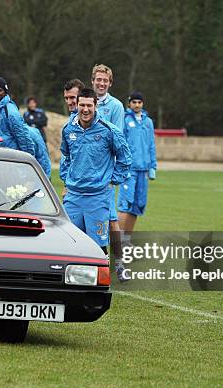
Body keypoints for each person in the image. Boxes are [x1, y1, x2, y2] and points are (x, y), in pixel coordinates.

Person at [60, 88, 131, 281]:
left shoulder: (108, 130)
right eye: (81, 105)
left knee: (97, 245)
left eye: (88, 105)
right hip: (74, 196)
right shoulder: (68, 129)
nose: (85, 109)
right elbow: (66, 157)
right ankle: (73, 279)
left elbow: (125, 159)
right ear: (77, 105)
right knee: (72, 242)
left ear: (95, 105)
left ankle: (104, 279)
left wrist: (112, 181)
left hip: (98, 196)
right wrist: (66, 179)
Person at [91, 64, 126, 267]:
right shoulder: (85, 102)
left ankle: (119, 263)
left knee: (110, 219)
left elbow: (117, 139)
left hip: (104, 174)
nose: (101, 83)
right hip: (84, 172)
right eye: (98, 79)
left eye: (105, 80)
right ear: (93, 81)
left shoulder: (116, 106)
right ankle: (92, 260)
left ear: (110, 83)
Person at [117, 92, 157, 240]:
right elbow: (121, 144)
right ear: (129, 103)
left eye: (139, 102)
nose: (137, 105)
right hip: (129, 169)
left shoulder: (148, 122)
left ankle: (127, 239)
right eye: (134, 102)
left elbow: (151, 145)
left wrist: (153, 166)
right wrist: (122, 166)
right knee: (125, 205)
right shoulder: (125, 120)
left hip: (144, 170)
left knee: (137, 206)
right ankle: (118, 241)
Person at [0, 76, 34, 155]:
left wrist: (27, 162)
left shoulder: (11, 112)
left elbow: (24, 139)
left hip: (8, 159)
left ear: (5, 92)